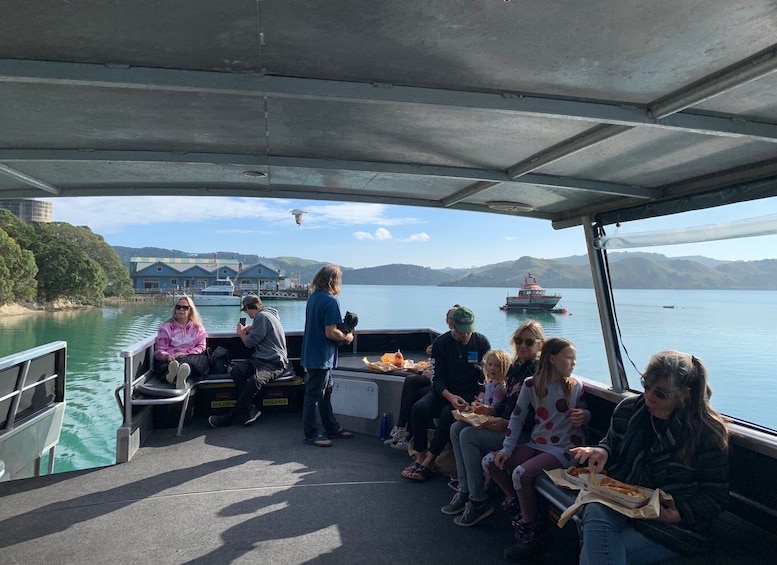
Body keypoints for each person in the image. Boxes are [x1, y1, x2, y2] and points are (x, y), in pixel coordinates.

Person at [570, 351, 730, 565]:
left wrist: (679, 513)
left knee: (596, 552)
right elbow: (611, 442)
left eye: (661, 393)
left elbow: (715, 496)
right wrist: (602, 451)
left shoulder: (706, 432)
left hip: (671, 525)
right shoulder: (627, 410)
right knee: (595, 510)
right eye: (646, 386)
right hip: (624, 503)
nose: (649, 396)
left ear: (685, 394)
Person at [487, 337, 589, 558]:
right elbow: (517, 418)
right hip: (538, 443)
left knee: (520, 473)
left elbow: (585, 413)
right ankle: (517, 504)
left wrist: (585, 416)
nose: (573, 364)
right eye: (569, 358)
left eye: (574, 359)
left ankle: (531, 533)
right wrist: (506, 449)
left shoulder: (575, 386)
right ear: (552, 359)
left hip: (564, 448)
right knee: (490, 462)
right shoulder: (531, 384)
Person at [442, 320, 546, 527]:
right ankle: (465, 490)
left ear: (539, 345)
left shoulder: (537, 373)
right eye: (518, 340)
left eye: (529, 341)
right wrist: (492, 411)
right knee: (456, 428)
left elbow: (534, 414)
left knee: (468, 436)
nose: (523, 345)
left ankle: (478, 500)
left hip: (524, 435)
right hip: (508, 425)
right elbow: (509, 403)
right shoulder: (517, 367)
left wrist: (505, 422)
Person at [400, 306, 491, 481]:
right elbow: (437, 378)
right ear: (452, 326)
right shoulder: (441, 344)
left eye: (468, 331)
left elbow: (485, 376)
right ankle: (420, 455)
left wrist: (480, 396)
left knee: (447, 414)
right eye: (460, 331)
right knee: (419, 409)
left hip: (469, 393)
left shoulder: (481, 343)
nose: (465, 335)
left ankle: (429, 461)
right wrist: (449, 396)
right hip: (444, 390)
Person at [208, 294, 292, 428]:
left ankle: (231, 416)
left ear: (247, 308)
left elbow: (249, 343)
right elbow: (263, 331)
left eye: (245, 310)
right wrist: (252, 328)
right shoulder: (268, 315)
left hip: (274, 362)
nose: (246, 314)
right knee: (237, 371)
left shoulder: (262, 317)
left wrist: (241, 332)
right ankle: (251, 408)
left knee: (255, 381)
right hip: (260, 358)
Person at [384, 304, 459, 450]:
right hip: (437, 380)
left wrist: (431, 374)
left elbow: (450, 372)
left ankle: (405, 432)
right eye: (450, 318)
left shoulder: (466, 343)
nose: (452, 321)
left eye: (455, 318)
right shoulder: (443, 340)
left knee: (414, 387)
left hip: (446, 386)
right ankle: (406, 433)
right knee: (411, 382)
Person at [300, 264, 355, 447]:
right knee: (314, 395)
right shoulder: (331, 301)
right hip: (321, 356)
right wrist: (347, 336)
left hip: (313, 352)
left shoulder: (314, 297)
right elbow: (330, 332)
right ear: (334, 281)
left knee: (325, 392)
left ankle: (331, 427)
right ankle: (312, 434)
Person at [154, 296, 209, 389]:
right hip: (171, 359)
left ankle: (180, 373)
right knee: (163, 365)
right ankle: (172, 375)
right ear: (175, 309)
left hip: (191, 356)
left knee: (200, 362)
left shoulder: (198, 327)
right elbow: (159, 350)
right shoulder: (166, 327)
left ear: (190, 310)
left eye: (185, 307)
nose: (181, 310)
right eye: (178, 307)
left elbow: (201, 346)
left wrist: (184, 354)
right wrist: (168, 357)